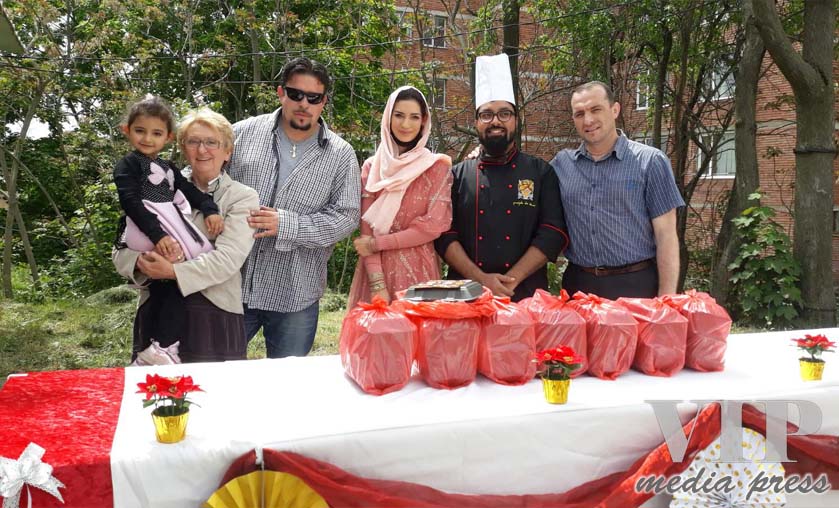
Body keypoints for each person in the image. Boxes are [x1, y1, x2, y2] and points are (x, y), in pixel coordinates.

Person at [228, 57, 360, 358]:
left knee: (287, 388)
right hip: (232, 285)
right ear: (280, 93)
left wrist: (287, 225)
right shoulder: (240, 134)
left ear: (323, 101)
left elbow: (347, 217)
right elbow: (200, 174)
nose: (304, 104)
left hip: (295, 293)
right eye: (295, 94)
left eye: (313, 98)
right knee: (217, 377)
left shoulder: (340, 155)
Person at [113, 108, 260, 363]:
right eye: (193, 141)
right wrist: (140, 262)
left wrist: (172, 271)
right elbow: (120, 248)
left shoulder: (242, 197)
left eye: (212, 142)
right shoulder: (154, 184)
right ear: (182, 147)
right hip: (156, 314)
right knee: (157, 399)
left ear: (228, 151)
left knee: (214, 398)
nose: (202, 150)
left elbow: (227, 261)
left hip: (213, 316)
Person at [435, 54, 568, 302]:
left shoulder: (540, 172)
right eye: (487, 114)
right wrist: (482, 280)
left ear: (516, 121)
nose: (495, 121)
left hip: (526, 295)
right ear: (476, 122)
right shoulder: (456, 175)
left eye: (504, 113)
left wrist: (513, 278)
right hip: (466, 294)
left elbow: (553, 232)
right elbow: (444, 235)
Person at [550, 81, 685, 300]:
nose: (589, 120)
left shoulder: (650, 162)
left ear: (615, 110)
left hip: (635, 286)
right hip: (579, 287)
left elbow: (666, 235)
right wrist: (481, 157)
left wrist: (666, 299)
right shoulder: (561, 165)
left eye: (596, 109)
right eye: (579, 114)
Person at [347, 86, 452, 308]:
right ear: (388, 117)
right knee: (379, 338)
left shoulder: (436, 167)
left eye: (414, 117)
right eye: (399, 115)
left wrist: (378, 243)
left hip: (419, 276)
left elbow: (431, 227)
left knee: (418, 341)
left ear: (424, 121)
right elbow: (366, 232)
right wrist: (378, 286)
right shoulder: (372, 167)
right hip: (376, 274)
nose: (406, 125)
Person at [114, 95, 223, 262]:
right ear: (127, 130)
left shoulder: (168, 166)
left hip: (171, 223)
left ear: (168, 137)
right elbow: (130, 202)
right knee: (167, 269)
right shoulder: (129, 164)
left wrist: (210, 209)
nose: (147, 139)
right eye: (140, 131)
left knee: (186, 264)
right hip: (147, 227)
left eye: (156, 133)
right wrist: (157, 235)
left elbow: (188, 190)